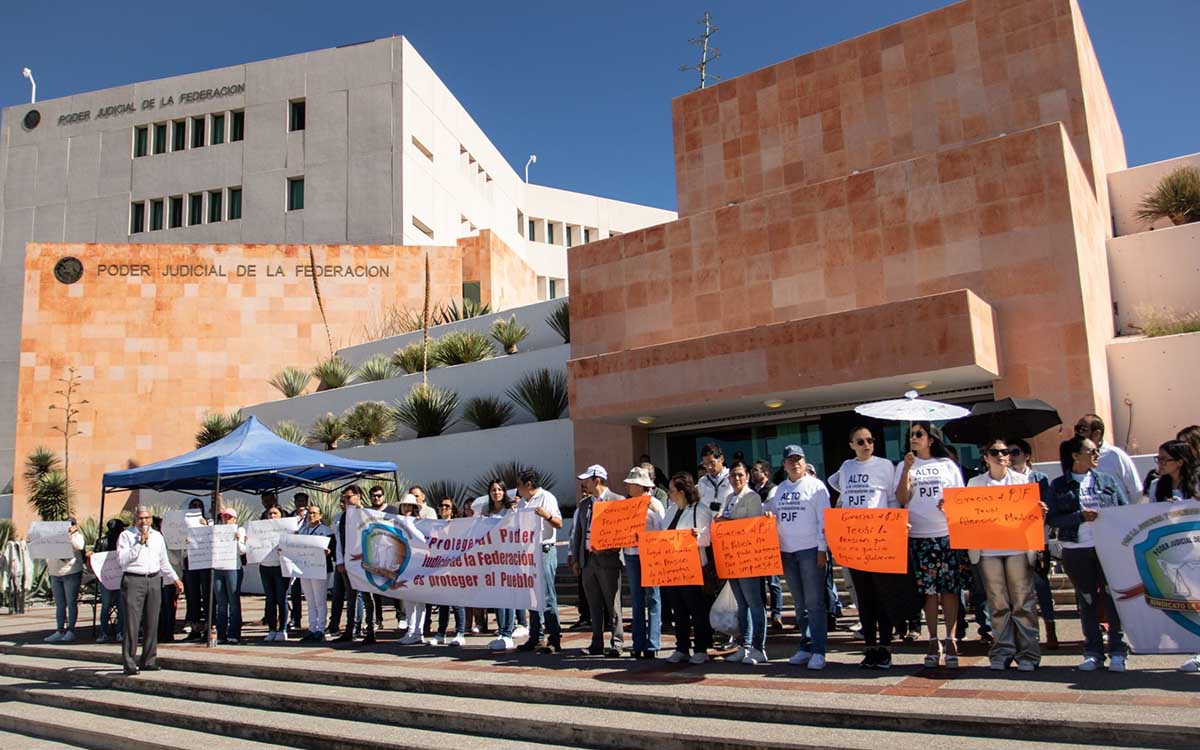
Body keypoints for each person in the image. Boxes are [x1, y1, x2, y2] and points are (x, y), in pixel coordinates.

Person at [1046, 435, 1130, 672]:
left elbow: (1124, 511)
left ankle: (1118, 650)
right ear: (1075, 455)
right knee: (1087, 599)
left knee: (1113, 598)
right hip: (1076, 548)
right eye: (1091, 451)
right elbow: (1052, 519)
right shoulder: (1059, 485)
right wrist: (1080, 517)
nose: (1096, 456)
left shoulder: (1107, 481)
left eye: (1097, 451)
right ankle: (1093, 651)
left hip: (1107, 547)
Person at [827, 426, 904, 669]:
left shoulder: (884, 466)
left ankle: (885, 648)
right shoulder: (847, 467)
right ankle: (870, 647)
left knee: (883, 596)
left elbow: (892, 500)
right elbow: (841, 490)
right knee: (864, 598)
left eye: (870, 440)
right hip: (855, 540)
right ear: (852, 445)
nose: (866, 445)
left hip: (879, 539)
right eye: (860, 441)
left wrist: (896, 523)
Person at [894, 421, 968, 669]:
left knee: (949, 589)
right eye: (911, 435)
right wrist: (906, 470)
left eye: (919, 434)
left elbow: (961, 498)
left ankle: (951, 638)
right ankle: (933, 639)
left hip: (945, 535)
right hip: (919, 536)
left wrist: (950, 506)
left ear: (930, 439)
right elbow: (902, 499)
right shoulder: (905, 465)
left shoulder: (947, 465)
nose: (914, 438)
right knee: (928, 591)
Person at [968, 439, 1040, 671]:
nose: (1001, 455)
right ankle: (1002, 650)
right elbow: (966, 513)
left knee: (1023, 600)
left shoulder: (1022, 481)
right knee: (997, 601)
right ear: (986, 457)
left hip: (1017, 547)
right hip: (988, 550)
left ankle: (1028, 653)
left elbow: (1031, 515)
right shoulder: (975, 483)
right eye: (995, 452)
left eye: (1005, 452)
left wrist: (1039, 512)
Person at [765, 444, 832, 670]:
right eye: (790, 460)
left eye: (799, 459)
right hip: (787, 552)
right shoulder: (780, 490)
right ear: (784, 465)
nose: (795, 464)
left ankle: (819, 650)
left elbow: (824, 520)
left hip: (811, 550)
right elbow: (770, 512)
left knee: (814, 603)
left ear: (805, 462)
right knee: (800, 603)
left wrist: (823, 549)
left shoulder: (816, 487)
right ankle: (805, 645)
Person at [1148, 438, 1200, 673]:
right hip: (1173, 554)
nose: (1159, 463)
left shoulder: (1197, 484)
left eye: (1164, 459)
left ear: (1180, 462)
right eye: (1157, 459)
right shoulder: (1157, 486)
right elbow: (1145, 518)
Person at [116, 506, 183, 676]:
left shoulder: (158, 536)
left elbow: (163, 560)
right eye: (140, 518)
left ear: (151, 519)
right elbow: (123, 560)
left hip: (153, 579)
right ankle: (129, 662)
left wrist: (175, 579)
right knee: (132, 622)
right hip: (133, 579)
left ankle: (148, 660)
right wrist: (139, 543)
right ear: (135, 520)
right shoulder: (126, 536)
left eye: (147, 518)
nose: (144, 521)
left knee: (152, 621)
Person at [569, 464, 625, 657]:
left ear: (597, 480)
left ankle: (617, 642)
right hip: (588, 560)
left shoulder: (617, 501)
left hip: (608, 559)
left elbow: (622, 533)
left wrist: (609, 547)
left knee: (612, 603)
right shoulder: (585, 504)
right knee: (593, 603)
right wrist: (577, 559)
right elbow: (578, 534)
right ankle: (596, 642)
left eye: (587, 480)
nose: (584, 484)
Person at [715, 460, 768, 665]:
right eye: (733, 475)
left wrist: (725, 523)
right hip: (732, 558)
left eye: (740, 475)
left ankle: (758, 647)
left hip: (748, 557)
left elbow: (751, 527)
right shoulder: (729, 498)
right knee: (742, 605)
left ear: (746, 476)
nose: (736, 479)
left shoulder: (752, 497)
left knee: (754, 603)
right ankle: (744, 646)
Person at [1007, 438, 1058, 650]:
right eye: (1008, 453)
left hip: (1036, 539)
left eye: (1015, 452)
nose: (1011, 457)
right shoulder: (1005, 480)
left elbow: (1049, 508)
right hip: (1012, 540)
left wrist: (1043, 511)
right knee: (1017, 589)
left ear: (1027, 455)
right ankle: (1024, 633)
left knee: (1041, 585)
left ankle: (1050, 628)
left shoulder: (1039, 478)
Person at [662, 472, 714, 664]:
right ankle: (682, 647)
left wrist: (696, 536)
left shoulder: (699, 510)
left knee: (696, 609)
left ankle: (701, 648)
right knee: (679, 609)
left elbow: (708, 538)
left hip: (692, 569)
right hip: (673, 570)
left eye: (672, 490)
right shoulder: (670, 511)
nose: (669, 493)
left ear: (682, 491)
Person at [516, 470, 565, 654]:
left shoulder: (547, 498)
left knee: (547, 596)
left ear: (528, 485)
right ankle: (536, 637)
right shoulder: (522, 503)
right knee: (532, 597)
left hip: (544, 550)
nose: (518, 489)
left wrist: (546, 516)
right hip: (527, 553)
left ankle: (554, 637)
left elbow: (559, 523)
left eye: (519, 485)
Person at [621, 466, 665, 659]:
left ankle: (653, 642)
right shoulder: (626, 504)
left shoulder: (655, 504)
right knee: (637, 599)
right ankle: (638, 642)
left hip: (650, 554)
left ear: (641, 486)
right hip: (631, 553)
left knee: (653, 597)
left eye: (632, 484)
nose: (628, 487)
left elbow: (662, 529)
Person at [479, 480, 519, 651]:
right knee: (497, 595)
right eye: (493, 490)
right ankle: (501, 631)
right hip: (492, 557)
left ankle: (508, 632)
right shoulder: (486, 511)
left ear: (504, 492)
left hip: (508, 556)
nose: (496, 493)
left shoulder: (511, 509)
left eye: (499, 490)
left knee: (508, 595)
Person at [333, 485, 376, 644]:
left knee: (366, 597)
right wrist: (340, 561)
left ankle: (370, 631)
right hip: (348, 563)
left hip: (363, 563)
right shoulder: (344, 516)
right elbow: (340, 541)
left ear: (358, 496)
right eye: (344, 497)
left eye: (349, 496)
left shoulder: (366, 514)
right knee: (350, 598)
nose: (346, 500)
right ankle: (349, 630)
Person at [1074, 414, 1141, 505]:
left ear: (1096, 434)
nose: (1077, 433)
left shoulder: (1115, 455)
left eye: (1081, 429)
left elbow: (1135, 490)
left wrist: (1124, 511)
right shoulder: (1075, 457)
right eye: (1076, 429)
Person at [428, 497, 467, 646]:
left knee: (457, 602)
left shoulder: (458, 526)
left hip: (455, 568)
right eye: (441, 505)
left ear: (453, 509)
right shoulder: (433, 526)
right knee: (443, 602)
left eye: (447, 506)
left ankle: (460, 632)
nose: (444, 508)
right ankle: (441, 633)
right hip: (439, 568)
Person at [750, 459, 784, 631]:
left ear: (766, 473)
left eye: (757, 470)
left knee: (773, 581)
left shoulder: (774, 490)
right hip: (755, 541)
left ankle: (776, 613)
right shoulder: (750, 491)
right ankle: (762, 613)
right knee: (760, 582)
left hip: (770, 540)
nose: (754, 473)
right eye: (753, 470)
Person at [393, 493, 429, 644]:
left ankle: (418, 632)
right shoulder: (396, 522)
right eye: (404, 505)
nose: (407, 508)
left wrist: (409, 524)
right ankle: (411, 629)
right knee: (407, 599)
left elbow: (422, 540)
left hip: (418, 563)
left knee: (419, 600)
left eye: (410, 506)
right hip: (404, 563)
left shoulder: (420, 522)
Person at [45, 517, 85, 643]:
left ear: (75, 525)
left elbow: (79, 546)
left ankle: (71, 630)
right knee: (60, 604)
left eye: (71, 524)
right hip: (55, 573)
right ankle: (59, 630)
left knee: (71, 602)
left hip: (70, 572)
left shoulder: (77, 536)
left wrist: (71, 534)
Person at [297, 504, 333, 642]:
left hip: (320, 569)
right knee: (310, 600)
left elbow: (332, 548)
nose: (311, 516)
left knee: (320, 600)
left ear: (320, 515)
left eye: (314, 513)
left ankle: (320, 629)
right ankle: (311, 628)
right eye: (309, 513)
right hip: (305, 568)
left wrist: (328, 552)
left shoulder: (326, 531)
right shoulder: (303, 531)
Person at [212, 506, 246, 644]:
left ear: (235, 518)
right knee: (221, 603)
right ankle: (221, 633)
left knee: (233, 602)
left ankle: (234, 633)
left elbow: (243, 551)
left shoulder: (240, 529)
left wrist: (238, 540)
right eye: (224, 516)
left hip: (233, 567)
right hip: (218, 567)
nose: (226, 519)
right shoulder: (216, 530)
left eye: (229, 517)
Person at [90, 518, 127, 643]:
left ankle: (104, 632)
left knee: (106, 606)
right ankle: (119, 632)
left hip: (106, 578)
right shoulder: (122, 541)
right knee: (119, 606)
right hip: (115, 577)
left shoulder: (101, 541)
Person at [259, 505, 292, 642]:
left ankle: (282, 629)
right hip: (265, 566)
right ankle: (272, 629)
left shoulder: (286, 529)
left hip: (280, 567)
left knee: (281, 598)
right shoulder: (260, 529)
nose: (272, 516)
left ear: (281, 515)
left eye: (275, 513)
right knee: (270, 599)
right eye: (270, 513)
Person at [181, 498, 210, 641]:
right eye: (193, 506)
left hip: (204, 561)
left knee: (207, 595)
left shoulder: (208, 522)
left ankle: (208, 627)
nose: (196, 508)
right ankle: (194, 627)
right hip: (189, 561)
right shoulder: (183, 524)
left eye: (199, 506)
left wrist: (206, 528)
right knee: (192, 596)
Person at [698, 444, 730, 513]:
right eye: (705, 464)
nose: (709, 467)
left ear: (721, 459)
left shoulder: (732, 477)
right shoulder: (702, 481)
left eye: (712, 463)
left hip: (728, 521)